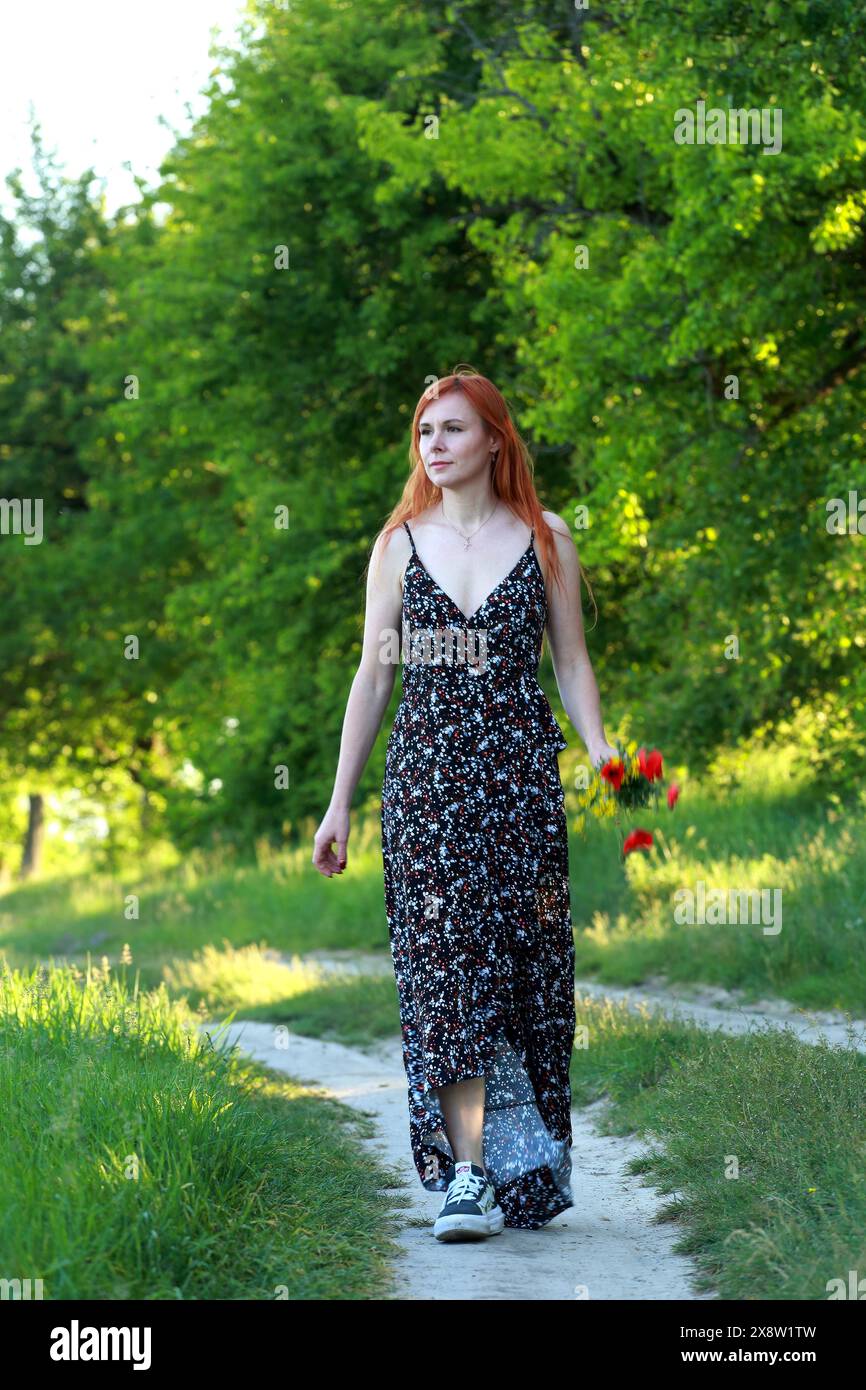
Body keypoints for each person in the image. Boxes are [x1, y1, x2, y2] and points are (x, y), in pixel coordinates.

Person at [313, 366, 618, 1242]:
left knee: (525, 970)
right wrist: (338, 804)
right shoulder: (398, 546)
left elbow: (571, 662)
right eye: (423, 433)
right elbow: (374, 676)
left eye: (450, 430)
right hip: (427, 789)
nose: (433, 447)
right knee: (445, 974)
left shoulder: (547, 536)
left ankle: (521, 1161)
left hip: (521, 781)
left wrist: (598, 746)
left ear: (493, 438)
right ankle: (466, 1177)